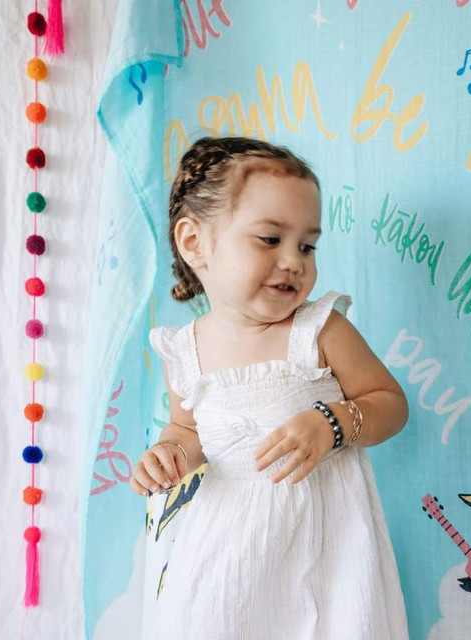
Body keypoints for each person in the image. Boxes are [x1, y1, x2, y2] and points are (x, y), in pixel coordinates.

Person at [130, 135, 410, 639]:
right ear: (194, 242)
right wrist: (169, 452)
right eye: (270, 239)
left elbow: (391, 405)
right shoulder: (187, 351)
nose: (294, 261)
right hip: (227, 547)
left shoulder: (319, 331)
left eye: (307, 245)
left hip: (329, 546)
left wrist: (333, 423)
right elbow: (186, 430)